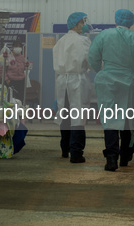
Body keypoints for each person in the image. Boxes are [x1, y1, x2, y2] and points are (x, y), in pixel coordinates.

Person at [88, 9, 134, 171]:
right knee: (127, 120)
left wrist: (101, 71)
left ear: (116, 20)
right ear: (131, 22)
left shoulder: (104, 35)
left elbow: (92, 57)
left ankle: (111, 159)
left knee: (109, 119)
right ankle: (125, 156)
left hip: (107, 82)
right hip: (129, 82)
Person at [53, 12, 92, 163]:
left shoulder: (60, 42)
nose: (84, 25)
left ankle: (65, 149)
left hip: (62, 81)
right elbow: (90, 61)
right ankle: (76, 153)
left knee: (65, 115)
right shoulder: (83, 41)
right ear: (76, 24)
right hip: (77, 80)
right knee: (78, 116)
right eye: (82, 23)